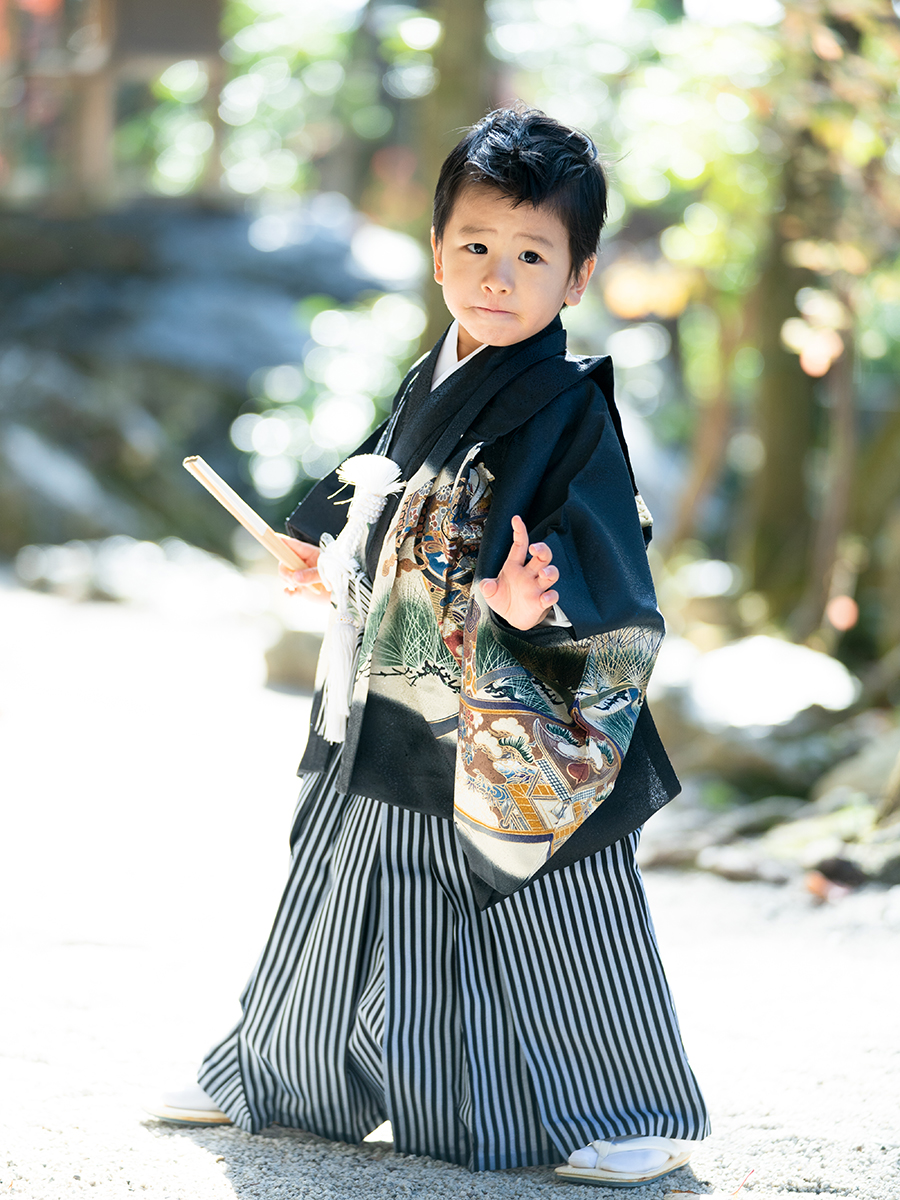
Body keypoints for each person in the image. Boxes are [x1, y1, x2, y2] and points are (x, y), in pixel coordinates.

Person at [147, 106, 709, 1188]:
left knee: (555, 904)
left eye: (532, 255)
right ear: (440, 248)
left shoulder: (568, 407)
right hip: (399, 693)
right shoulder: (431, 378)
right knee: (342, 884)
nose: (499, 276)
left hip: (511, 714)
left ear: (577, 279)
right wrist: (330, 555)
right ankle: (271, 1070)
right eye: (477, 247)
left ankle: (611, 1107)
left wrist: (535, 602)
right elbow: (380, 495)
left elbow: (597, 551)